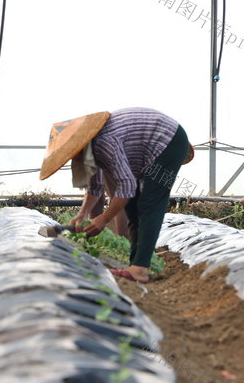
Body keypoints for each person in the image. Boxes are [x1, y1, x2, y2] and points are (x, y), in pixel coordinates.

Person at [40, 107, 195, 283]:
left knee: (150, 202)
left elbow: (127, 184)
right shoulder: (92, 149)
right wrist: (82, 214)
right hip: (152, 147)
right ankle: (136, 263)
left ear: (78, 145)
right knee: (131, 205)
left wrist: (104, 218)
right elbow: (96, 186)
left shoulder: (103, 142)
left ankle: (140, 268)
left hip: (169, 142)